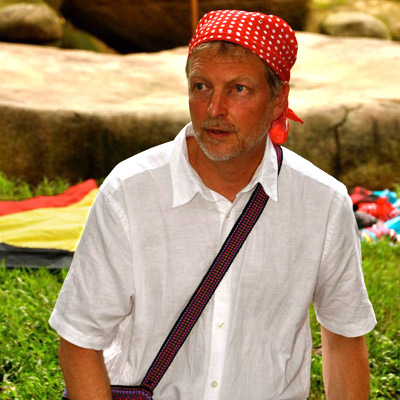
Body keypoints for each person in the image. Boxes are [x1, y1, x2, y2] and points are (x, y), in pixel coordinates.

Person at [50, 10, 376, 400]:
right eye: (201, 86)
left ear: (278, 100)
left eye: (238, 89)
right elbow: (80, 339)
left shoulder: (322, 203)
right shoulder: (130, 192)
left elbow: (344, 338)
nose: (214, 109)